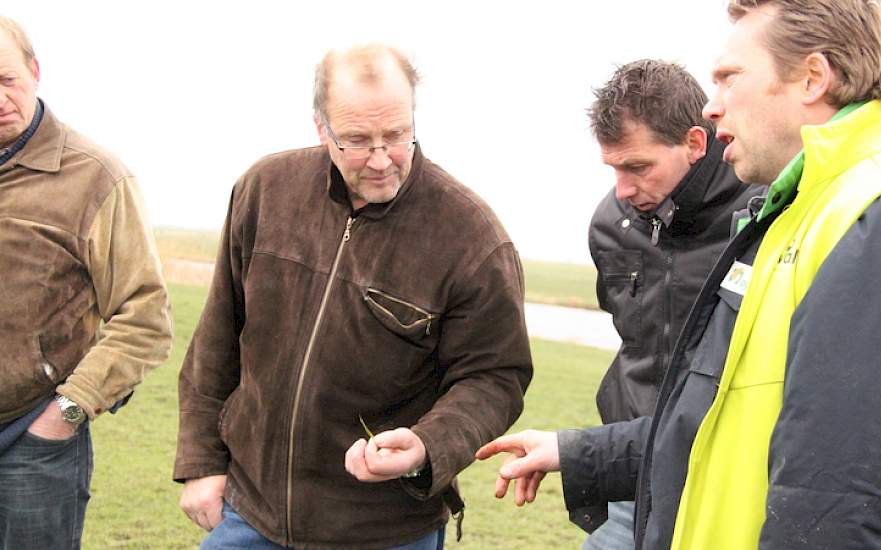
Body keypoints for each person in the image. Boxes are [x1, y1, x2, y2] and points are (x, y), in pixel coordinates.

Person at [476, 1, 881, 548]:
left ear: (812, 77)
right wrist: (579, 454)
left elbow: (839, 507)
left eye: (729, 78)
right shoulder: (796, 215)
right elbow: (720, 426)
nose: (711, 108)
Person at [174, 43, 533, 550]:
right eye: (359, 141)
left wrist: (427, 446)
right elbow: (217, 336)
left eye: (397, 135)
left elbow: (496, 378)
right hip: (250, 513)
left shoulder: (471, 237)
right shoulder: (264, 190)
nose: (383, 159)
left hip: (383, 530)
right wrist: (202, 463)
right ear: (322, 129)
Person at [0, 16, 172, 550]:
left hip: (29, 442)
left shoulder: (93, 176)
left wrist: (67, 411)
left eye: (6, 79)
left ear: (35, 70)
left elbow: (145, 316)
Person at [580, 59, 759, 549]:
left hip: (722, 480)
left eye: (638, 166)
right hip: (631, 481)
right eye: (614, 168)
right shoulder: (610, 225)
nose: (622, 189)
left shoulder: (764, 218)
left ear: (695, 144)